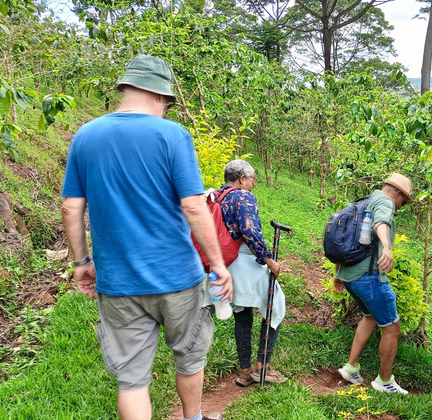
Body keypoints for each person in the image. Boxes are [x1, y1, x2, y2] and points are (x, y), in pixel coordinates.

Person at [61, 54, 232, 420]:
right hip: (176, 278)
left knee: (132, 380)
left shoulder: (85, 137)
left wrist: (81, 263)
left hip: (117, 280)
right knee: (188, 357)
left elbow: (71, 209)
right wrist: (218, 264)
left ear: (126, 88)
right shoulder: (172, 135)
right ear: (160, 96)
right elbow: (194, 207)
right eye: (167, 104)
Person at [334, 173, 413, 394]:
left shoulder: (362, 201)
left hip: (350, 276)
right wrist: (386, 248)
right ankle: (384, 382)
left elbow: (344, 237)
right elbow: (381, 223)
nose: (401, 206)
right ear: (397, 193)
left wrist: (338, 271)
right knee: (391, 328)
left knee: (369, 317)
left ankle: (351, 367)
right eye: (403, 201)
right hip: (369, 278)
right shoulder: (385, 201)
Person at [215, 159, 287, 387]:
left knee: (242, 315)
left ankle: (244, 371)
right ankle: (262, 366)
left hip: (227, 264)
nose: (254, 184)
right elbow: (249, 229)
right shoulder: (242, 196)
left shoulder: (217, 196)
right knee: (276, 306)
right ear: (242, 178)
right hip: (247, 262)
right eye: (253, 179)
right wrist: (268, 259)